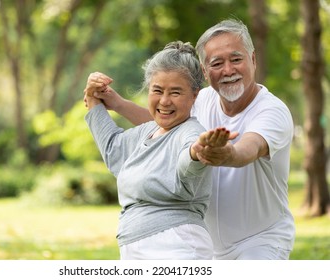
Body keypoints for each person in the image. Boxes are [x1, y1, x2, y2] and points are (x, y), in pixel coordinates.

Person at [90, 19, 295, 260]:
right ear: (205, 71)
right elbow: (166, 120)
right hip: (208, 242)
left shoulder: (271, 110)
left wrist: (226, 153)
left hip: (260, 241)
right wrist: (118, 104)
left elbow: (249, 148)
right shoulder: (202, 99)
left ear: (253, 59)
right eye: (217, 63)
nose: (228, 70)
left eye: (236, 59)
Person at [84, 41, 233, 260]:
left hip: (176, 246)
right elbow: (112, 149)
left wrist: (196, 153)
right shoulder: (148, 132)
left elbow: (187, 163)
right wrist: (93, 97)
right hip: (138, 248)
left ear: (194, 96)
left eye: (175, 92)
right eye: (157, 90)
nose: (164, 100)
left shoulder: (190, 133)